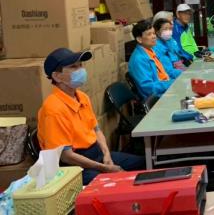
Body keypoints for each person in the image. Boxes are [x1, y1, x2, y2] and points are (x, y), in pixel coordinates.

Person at [37, 48, 145, 184]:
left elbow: (96, 130)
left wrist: (106, 155)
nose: (80, 70)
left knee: (144, 163)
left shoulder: (82, 97)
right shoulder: (53, 109)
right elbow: (66, 156)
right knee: (117, 182)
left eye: (80, 65)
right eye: (73, 67)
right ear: (57, 76)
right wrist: (104, 168)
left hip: (96, 154)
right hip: (74, 167)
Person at [129, 19, 181, 99]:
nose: (154, 36)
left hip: (165, 89)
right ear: (139, 39)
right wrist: (172, 83)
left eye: (153, 33)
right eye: (149, 34)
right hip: (157, 98)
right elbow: (148, 88)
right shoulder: (139, 59)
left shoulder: (150, 51)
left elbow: (165, 72)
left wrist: (183, 75)